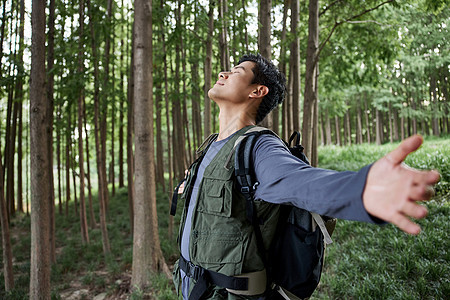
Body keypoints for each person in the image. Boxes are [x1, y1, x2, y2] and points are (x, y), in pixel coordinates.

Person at [172, 53, 440, 300]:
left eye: (236, 71)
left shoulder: (260, 147)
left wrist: (363, 188)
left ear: (257, 91)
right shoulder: (211, 145)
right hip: (192, 289)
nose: (223, 74)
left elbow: (302, 182)